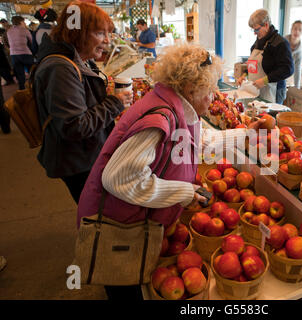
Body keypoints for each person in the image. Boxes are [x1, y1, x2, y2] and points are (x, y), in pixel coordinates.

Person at [77, 42, 267, 300]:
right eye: (209, 90)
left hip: (132, 219)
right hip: (117, 226)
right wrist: (183, 191)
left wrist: (246, 133)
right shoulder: (159, 118)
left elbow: (197, 144)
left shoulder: (173, 107)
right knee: (125, 287)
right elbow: (119, 178)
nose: (213, 98)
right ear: (190, 88)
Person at [33, 1, 132, 204]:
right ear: (77, 33)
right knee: (97, 212)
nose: (106, 41)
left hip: (84, 154)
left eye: (108, 34)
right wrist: (114, 103)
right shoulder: (60, 68)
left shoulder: (77, 58)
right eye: (99, 33)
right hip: (78, 161)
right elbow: (74, 126)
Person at [237, 9, 294, 104]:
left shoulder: (280, 43)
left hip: (273, 91)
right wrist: (244, 75)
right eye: (253, 29)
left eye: (256, 29)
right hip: (257, 90)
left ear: (266, 25)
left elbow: (288, 69)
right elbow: (255, 66)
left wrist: (265, 80)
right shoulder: (258, 42)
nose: (254, 33)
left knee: (269, 117)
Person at [6, 16, 34, 90]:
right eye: (24, 22)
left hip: (14, 55)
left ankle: (22, 91)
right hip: (25, 53)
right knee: (32, 72)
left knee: (20, 75)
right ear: (21, 22)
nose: (25, 23)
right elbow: (32, 42)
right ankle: (33, 88)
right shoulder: (25, 30)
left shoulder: (9, 31)